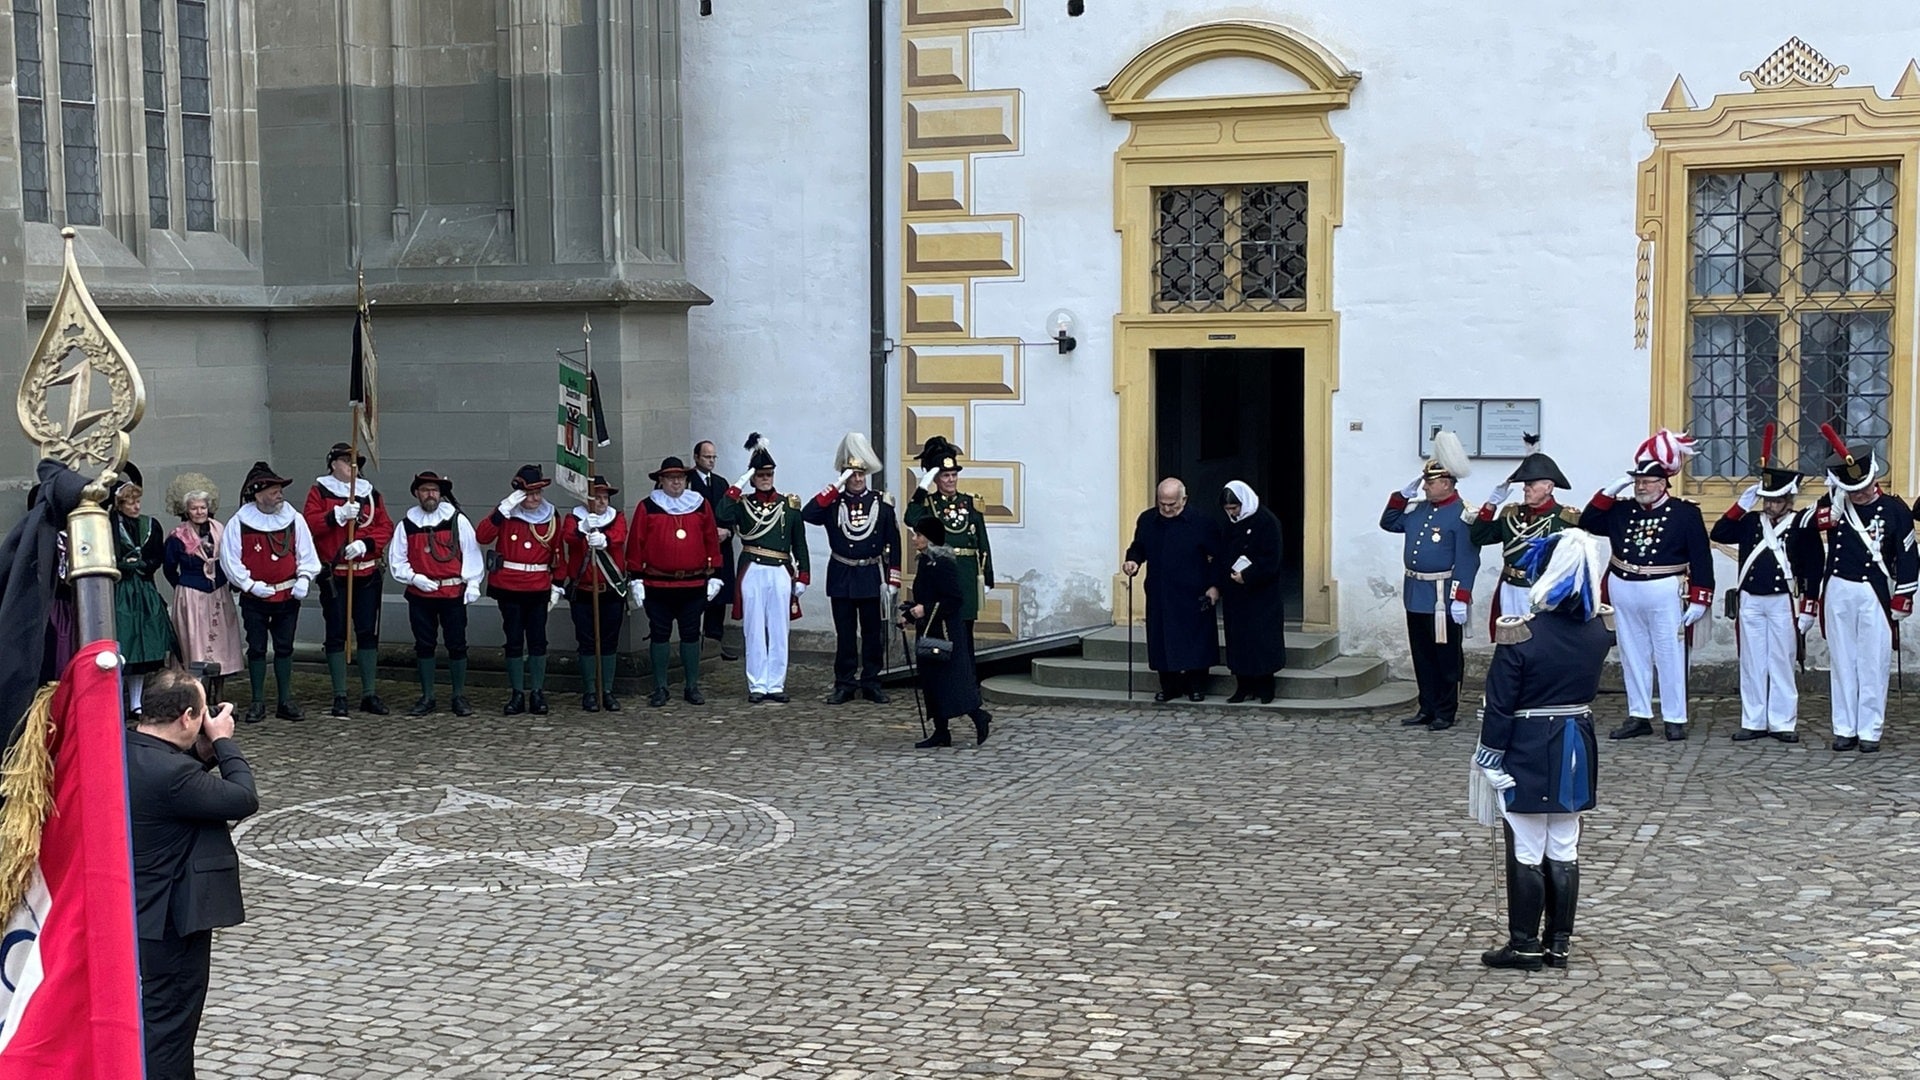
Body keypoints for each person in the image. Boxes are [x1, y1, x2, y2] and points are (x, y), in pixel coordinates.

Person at [1469, 529, 1614, 972]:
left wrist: (1489, 756)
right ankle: (1559, 945)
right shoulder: (1599, 630)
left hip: (1530, 745)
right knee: (1564, 845)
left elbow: (1500, 705)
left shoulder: (1521, 636)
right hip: (1575, 741)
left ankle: (1524, 944)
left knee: (1527, 846)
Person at [127, 668, 259, 1079]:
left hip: (136, 911)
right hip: (171, 921)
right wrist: (222, 741)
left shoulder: (126, 749)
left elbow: (168, 771)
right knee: (170, 1028)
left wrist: (198, 754)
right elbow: (242, 798)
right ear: (187, 717)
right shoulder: (173, 777)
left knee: (150, 1020)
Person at [1579, 430, 1714, 741]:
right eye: (1637, 481)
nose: (1641, 486)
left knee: (1669, 652)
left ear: (1664, 483)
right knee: (1632, 652)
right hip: (1625, 584)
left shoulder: (1685, 512)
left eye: (1648, 481)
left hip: (1664, 586)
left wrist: (1700, 598)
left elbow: (1701, 557)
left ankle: (1674, 716)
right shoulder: (1622, 509)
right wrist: (1611, 490)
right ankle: (1638, 714)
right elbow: (1588, 521)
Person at [1804, 425, 1918, 753]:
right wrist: (1834, 507)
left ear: (1873, 478)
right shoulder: (1835, 503)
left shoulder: (1895, 509)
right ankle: (1844, 728)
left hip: (1874, 592)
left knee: (1873, 661)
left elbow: (1908, 555)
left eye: (1864, 487)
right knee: (1842, 660)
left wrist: (1904, 595)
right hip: (1839, 586)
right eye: (1853, 489)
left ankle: (1870, 729)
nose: (1861, 494)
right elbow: (1805, 527)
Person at [1709, 425, 1817, 743]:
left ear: (1788, 500)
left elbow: (1813, 567)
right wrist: (1741, 505)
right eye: (1766, 500)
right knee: (1753, 660)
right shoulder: (1750, 522)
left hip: (1784, 599)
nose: (1770, 506)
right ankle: (1753, 719)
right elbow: (1720, 533)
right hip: (1751, 599)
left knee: (1781, 660)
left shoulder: (1801, 524)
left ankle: (1783, 721)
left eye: (1776, 500)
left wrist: (1810, 605)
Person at [1380, 431, 1481, 732]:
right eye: (1424, 482)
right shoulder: (1419, 509)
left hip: (1442, 596)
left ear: (1447, 483)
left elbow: (1467, 558)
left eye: (1430, 482)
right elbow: (1389, 523)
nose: (1425, 486)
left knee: (1446, 657)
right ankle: (1426, 706)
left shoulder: (1462, 514)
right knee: (1422, 654)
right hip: (1417, 592)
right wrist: (1402, 496)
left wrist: (1461, 596)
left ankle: (1445, 710)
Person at [804, 432, 902, 705]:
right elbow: (808, 514)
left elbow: (894, 542)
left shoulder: (881, 504)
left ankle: (872, 681)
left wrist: (893, 580)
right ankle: (845, 683)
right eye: (851, 474)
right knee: (845, 635)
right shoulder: (833, 503)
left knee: (872, 634)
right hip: (843, 575)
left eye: (860, 474)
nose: (857, 479)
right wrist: (835, 487)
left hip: (871, 575)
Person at [219, 461, 320, 723]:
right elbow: (230, 559)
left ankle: (285, 700)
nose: (280, 494)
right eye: (274, 490)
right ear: (259, 492)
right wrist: (249, 585)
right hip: (256, 597)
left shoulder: (294, 519)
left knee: (285, 647)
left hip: (287, 595)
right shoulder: (239, 523)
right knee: (257, 647)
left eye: (279, 489)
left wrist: (304, 578)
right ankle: (257, 701)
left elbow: (306, 552)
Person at [713, 434, 810, 703]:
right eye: (760, 475)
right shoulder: (743, 504)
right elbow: (721, 512)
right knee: (754, 629)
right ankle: (757, 683)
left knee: (779, 629)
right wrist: (739, 483)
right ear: (753, 477)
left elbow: (799, 543)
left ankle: (776, 684)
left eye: (768, 474)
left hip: (779, 568)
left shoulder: (788, 505)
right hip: (753, 568)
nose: (766, 478)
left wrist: (803, 575)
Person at [302, 442, 396, 719]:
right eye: (346, 462)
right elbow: (310, 525)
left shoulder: (370, 494)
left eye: (356, 464)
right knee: (337, 634)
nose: (352, 468)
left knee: (367, 632)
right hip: (336, 574)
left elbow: (384, 526)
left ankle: (369, 693)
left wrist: (366, 544)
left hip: (366, 572)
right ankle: (340, 694)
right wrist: (336, 516)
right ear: (333, 464)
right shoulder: (319, 491)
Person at [625, 456, 724, 707]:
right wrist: (635, 577)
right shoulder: (647, 506)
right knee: (659, 634)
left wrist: (715, 573)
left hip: (693, 585)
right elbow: (636, 542)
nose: (676, 482)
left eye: (680, 478)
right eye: (671, 478)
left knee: (691, 634)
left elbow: (711, 539)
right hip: (657, 584)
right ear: (661, 481)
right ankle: (660, 687)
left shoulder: (700, 506)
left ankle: (692, 686)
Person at [388, 470, 484, 717]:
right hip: (420, 595)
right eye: (424, 490)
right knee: (424, 645)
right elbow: (397, 559)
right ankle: (428, 696)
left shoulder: (457, 520)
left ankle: (458, 696)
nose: (430, 494)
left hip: (452, 593)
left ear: (441, 494)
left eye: (434, 490)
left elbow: (471, 552)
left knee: (457, 644)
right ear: (416, 494)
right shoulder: (406, 525)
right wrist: (414, 578)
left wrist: (473, 583)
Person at [474, 464, 564, 716]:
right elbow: (482, 536)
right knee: (513, 640)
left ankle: (536, 692)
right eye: (528, 494)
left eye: (537, 493)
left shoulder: (551, 515)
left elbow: (558, 552)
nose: (534, 499)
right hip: (509, 586)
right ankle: (516, 693)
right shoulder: (506, 514)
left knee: (537, 640)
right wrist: (503, 509)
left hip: (538, 586)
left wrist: (558, 583)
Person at [1123, 477, 1221, 702]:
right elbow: (1139, 546)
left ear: (1184, 499)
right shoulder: (1148, 520)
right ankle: (1169, 686)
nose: (1166, 509)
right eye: (1162, 504)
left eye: (1172, 505)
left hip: (1194, 590)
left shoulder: (1202, 522)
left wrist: (1215, 586)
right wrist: (1133, 561)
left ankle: (1196, 685)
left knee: (1195, 639)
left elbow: (1218, 556)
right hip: (1160, 591)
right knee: (1162, 639)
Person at [1469, 437, 1581, 634]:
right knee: (1509, 640)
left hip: (1541, 590)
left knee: (1540, 642)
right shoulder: (1511, 513)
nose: (1525, 488)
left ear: (1548, 487)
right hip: (1510, 587)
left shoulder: (1566, 519)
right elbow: (1479, 537)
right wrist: (1490, 505)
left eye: (1531, 484)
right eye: (1524, 484)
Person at [901, 515, 991, 747]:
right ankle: (941, 731)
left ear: (929, 538)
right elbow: (926, 596)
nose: (913, 539)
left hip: (944, 631)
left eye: (918, 535)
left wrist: (924, 609)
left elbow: (953, 599)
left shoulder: (943, 564)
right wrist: (910, 613)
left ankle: (978, 716)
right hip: (929, 628)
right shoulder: (926, 561)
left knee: (951, 682)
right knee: (932, 682)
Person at [904, 436, 993, 662]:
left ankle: (968, 679)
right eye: (945, 476)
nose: (951, 480)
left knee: (965, 630)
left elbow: (982, 541)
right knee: (945, 628)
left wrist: (987, 577)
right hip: (943, 574)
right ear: (937, 478)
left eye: (954, 475)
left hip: (966, 573)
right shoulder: (929, 504)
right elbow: (910, 518)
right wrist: (923, 485)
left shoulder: (971, 502)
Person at [163, 473, 245, 706]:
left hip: (218, 594)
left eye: (202, 508)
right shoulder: (177, 537)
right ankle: (198, 696)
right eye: (194, 508)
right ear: (186, 511)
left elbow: (231, 558)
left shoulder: (221, 530)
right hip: (192, 595)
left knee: (222, 644)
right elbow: (169, 567)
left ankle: (219, 694)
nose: (199, 512)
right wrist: (185, 587)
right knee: (196, 645)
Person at [557, 474, 630, 711]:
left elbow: (619, 536)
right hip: (584, 589)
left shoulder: (616, 517)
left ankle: (606, 690)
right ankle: (590, 691)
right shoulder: (573, 518)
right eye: (597, 497)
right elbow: (568, 537)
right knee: (586, 641)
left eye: (604, 497)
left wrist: (605, 539)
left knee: (609, 641)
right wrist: (583, 529)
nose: (602, 502)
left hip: (609, 589)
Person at [111, 463, 176, 718]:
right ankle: (117, 700)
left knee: (144, 648)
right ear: (120, 504)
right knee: (126, 645)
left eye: (138, 502)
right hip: (122, 592)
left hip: (145, 590)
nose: (136, 507)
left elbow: (157, 558)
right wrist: (122, 567)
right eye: (130, 503)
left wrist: (143, 566)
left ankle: (136, 702)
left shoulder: (151, 525)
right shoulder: (110, 525)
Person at [1218, 480, 1285, 704]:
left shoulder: (1266, 522)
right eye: (1228, 510)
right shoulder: (1230, 524)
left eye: (1235, 508)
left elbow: (1271, 558)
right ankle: (1242, 686)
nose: (1232, 513)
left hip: (1261, 594)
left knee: (1262, 639)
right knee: (1238, 640)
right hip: (1236, 595)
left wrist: (1248, 575)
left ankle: (1266, 687)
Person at [688, 439, 741, 660]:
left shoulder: (721, 483)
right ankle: (692, 642)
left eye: (713, 457)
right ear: (697, 457)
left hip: (720, 548)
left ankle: (715, 641)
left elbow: (731, 512)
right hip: (696, 549)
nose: (711, 461)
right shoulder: (688, 482)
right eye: (707, 457)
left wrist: (728, 531)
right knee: (696, 594)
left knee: (718, 595)